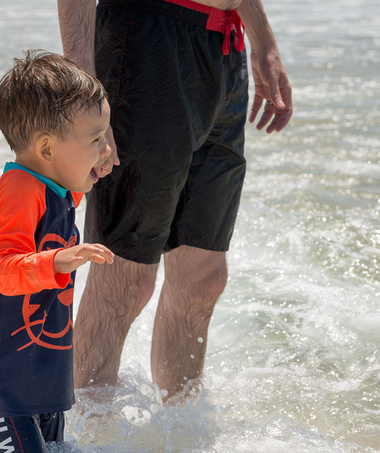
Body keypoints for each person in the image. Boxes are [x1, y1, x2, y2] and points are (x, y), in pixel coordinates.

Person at [58, 0, 293, 400]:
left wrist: (263, 42)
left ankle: (181, 438)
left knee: (203, 278)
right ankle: (84, 442)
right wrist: (84, 92)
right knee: (124, 278)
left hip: (223, 48)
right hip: (150, 38)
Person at [0, 50, 114, 453]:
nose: (107, 149)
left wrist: (85, 172)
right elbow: (1, 270)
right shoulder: (19, 191)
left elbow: (49, 227)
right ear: (47, 149)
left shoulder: (53, 190)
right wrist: (59, 263)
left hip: (38, 373)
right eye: (96, 139)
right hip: (3, 384)